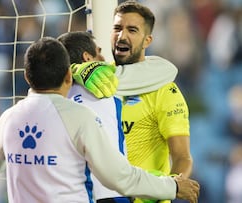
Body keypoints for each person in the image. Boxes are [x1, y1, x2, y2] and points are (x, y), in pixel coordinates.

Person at [0, 37, 200, 202]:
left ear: (27, 77)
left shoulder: (10, 117)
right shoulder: (79, 117)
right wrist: (171, 186)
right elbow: (118, 177)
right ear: (68, 75)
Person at [74, 1, 194, 202]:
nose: (122, 36)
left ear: (147, 40)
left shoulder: (164, 89)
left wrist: (166, 188)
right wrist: (75, 70)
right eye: (117, 28)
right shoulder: (97, 78)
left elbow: (182, 156)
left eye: (132, 30)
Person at [57, 31, 129, 202]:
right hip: (112, 192)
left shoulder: (54, 99)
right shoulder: (112, 91)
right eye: (99, 52)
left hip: (73, 194)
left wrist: (73, 70)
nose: (104, 58)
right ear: (88, 58)